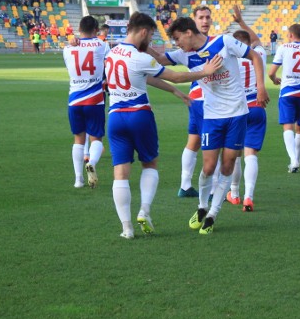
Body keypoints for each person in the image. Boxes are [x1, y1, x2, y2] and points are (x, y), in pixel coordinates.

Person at [105, 12, 223, 239]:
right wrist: (203, 72)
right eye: (149, 34)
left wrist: (174, 92)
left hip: (116, 117)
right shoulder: (140, 57)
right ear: (142, 31)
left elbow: (145, 77)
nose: (149, 40)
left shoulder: (111, 54)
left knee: (120, 173)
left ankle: (126, 228)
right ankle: (145, 211)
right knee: (150, 164)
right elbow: (174, 76)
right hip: (139, 115)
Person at [166, 16, 269, 235]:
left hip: (238, 114)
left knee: (228, 164)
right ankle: (202, 206)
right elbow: (158, 58)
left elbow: (255, 57)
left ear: (188, 32)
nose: (177, 44)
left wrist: (261, 87)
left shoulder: (224, 41)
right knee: (208, 167)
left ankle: (213, 213)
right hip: (212, 117)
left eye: (177, 38)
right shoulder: (184, 54)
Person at [147, 5, 215, 198]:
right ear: (193, 22)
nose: (205, 21)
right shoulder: (185, 50)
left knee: (193, 142)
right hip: (204, 102)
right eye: (201, 17)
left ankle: (185, 186)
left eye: (208, 17)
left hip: (197, 101)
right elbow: (161, 59)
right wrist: (145, 47)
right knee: (213, 144)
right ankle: (212, 189)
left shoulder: (215, 42)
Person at [226, 6, 268, 211]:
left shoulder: (229, 58)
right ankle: (248, 197)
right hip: (257, 106)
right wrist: (241, 22)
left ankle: (234, 193)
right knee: (251, 153)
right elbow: (257, 41)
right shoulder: (258, 53)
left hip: (236, 109)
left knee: (235, 154)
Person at [65, 16, 109, 189]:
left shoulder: (67, 48)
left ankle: (78, 179)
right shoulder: (102, 45)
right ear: (96, 30)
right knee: (96, 138)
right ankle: (92, 162)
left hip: (74, 99)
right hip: (95, 98)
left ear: (79, 29)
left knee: (78, 139)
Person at [268, 23, 300, 173]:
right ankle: (297, 159)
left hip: (287, 92)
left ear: (290, 35)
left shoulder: (283, 48)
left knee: (288, 126)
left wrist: (274, 79)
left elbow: (271, 72)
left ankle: (293, 159)